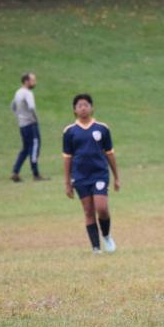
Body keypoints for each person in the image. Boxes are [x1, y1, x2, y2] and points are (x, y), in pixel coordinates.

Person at [62, 94, 120, 254]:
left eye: (86, 105)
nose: (83, 108)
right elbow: (67, 158)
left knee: (102, 208)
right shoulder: (69, 131)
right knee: (88, 211)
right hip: (80, 176)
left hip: (99, 173)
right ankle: (96, 248)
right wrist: (67, 183)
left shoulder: (102, 128)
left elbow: (110, 153)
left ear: (92, 108)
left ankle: (106, 236)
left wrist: (116, 177)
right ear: (74, 110)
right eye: (79, 106)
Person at [10, 72, 46, 182]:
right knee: (35, 147)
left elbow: (13, 106)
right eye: (33, 80)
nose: (35, 82)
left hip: (22, 125)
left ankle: (15, 172)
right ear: (26, 81)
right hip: (31, 124)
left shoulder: (18, 92)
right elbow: (31, 107)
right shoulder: (28, 93)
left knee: (25, 149)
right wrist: (35, 118)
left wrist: (20, 117)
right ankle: (36, 174)